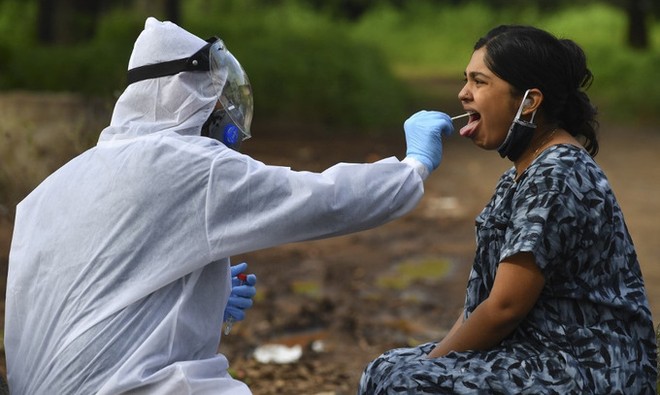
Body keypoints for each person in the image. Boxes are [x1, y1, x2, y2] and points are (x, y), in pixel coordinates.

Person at [4, 17, 454, 395]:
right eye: (217, 99)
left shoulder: (56, 185)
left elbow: (91, 289)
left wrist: (205, 300)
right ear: (188, 93)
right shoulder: (188, 164)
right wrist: (411, 167)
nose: (225, 114)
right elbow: (323, 199)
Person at [359, 24, 657, 394]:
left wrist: (429, 370)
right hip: (535, 354)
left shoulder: (556, 174)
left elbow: (503, 309)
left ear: (529, 101)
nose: (463, 94)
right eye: (465, 80)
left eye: (479, 82)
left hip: (588, 368)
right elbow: (478, 305)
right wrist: (432, 363)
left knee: (402, 381)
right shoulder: (519, 175)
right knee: (385, 369)